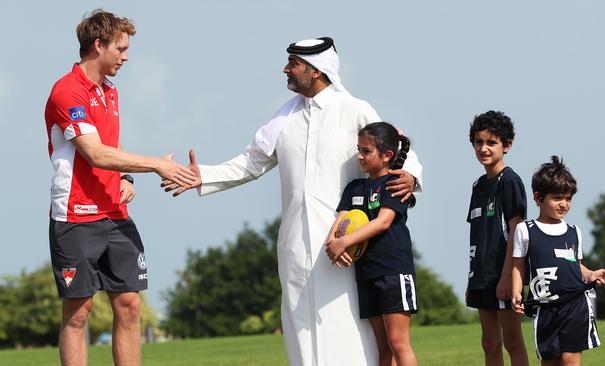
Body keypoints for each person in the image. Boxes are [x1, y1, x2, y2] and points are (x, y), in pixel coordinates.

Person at [164, 37, 423, 365]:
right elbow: (250, 163)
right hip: (294, 244)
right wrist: (203, 175)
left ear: (315, 71)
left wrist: (411, 176)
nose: (286, 69)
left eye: (293, 63)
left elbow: (397, 147)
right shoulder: (283, 119)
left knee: (346, 323)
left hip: (345, 241)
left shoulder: (355, 109)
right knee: (299, 325)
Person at [44, 9, 197, 366]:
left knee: (129, 306)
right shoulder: (67, 92)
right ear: (99, 46)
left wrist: (127, 177)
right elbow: (94, 153)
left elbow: (109, 147)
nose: (126, 57)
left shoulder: (109, 91)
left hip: (115, 213)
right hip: (75, 218)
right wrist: (157, 164)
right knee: (78, 313)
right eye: (121, 49)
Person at [324, 122, 418, 366]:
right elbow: (340, 222)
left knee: (398, 342)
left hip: (393, 270)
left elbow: (383, 222)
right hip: (366, 273)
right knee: (383, 347)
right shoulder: (354, 187)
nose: (360, 156)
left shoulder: (394, 183)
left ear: (387, 155)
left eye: (366, 151)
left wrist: (343, 241)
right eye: (358, 149)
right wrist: (333, 244)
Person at [512, 156, 605, 365]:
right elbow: (518, 265)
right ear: (538, 197)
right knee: (550, 362)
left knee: (569, 360)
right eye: (558, 198)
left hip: (575, 304)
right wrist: (516, 292)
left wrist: (592, 274)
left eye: (568, 198)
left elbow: (576, 266)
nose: (564, 204)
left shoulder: (574, 232)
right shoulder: (525, 230)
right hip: (544, 308)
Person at [466, 111, 529, 366]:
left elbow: (517, 232)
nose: (484, 148)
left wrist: (507, 276)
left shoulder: (510, 181)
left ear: (507, 145)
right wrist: (471, 276)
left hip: (502, 275)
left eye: (491, 143)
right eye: (479, 142)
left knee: (512, 341)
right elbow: (478, 235)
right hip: (481, 275)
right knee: (489, 343)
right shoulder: (478, 186)